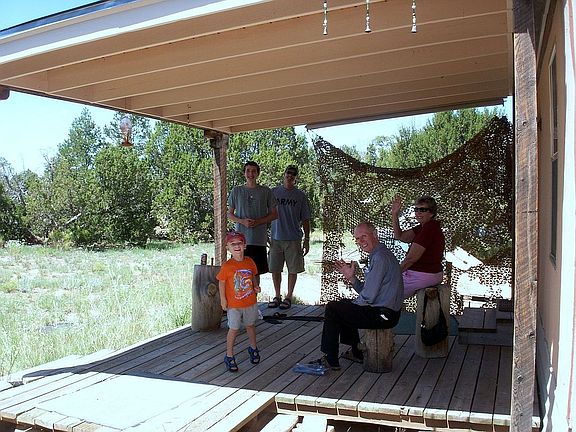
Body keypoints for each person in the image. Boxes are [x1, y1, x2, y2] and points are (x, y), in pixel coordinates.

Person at [314, 222, 404, 370]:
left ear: (374, 234)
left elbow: (368, 296)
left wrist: (352, 305)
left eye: (364, 236)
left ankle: (331, 359)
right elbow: (368, 291)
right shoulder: (380, 254)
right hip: (386, 313)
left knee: (333, 308)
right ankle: (356, 352)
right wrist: (351, 278)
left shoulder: (380, 258)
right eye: (357, 238)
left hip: (384, 316)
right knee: (344, 305)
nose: (361, 241)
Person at [268, 164, 311, 310]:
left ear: (295, 178)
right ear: (284, 174)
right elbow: (265, 214)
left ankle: (288, 297)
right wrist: (265, 234)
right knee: (275, 268)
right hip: (275, 238)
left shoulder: (300, 196)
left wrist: (307, 239)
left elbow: (306, 218)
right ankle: (277, 296)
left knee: (293, 269)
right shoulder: (273, 192)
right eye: (288, 172)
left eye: (293, 174)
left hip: (293, 238)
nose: (290, 175)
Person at [217, 231, 261, 372]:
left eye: (239, 243)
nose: (237, 246)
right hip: (234, 305)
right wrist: (223, 299)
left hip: (250, 302)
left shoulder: (249, 261)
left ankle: (253, 348)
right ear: (227, 248)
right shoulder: (227, 266)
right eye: (232, 244)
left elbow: (253, 275)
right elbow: (221, 282)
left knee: (250, 325)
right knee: (234, 328)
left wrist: (255, 286)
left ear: (245, 245)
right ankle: (229, 355)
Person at [227, 161, 277, 286]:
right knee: (239, 270)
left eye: (254, 171)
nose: (251, 174)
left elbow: (274, 214)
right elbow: (229, 214)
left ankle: (254, 297)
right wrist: (242, 221)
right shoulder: (236, 191)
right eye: (248, 171)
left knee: (255, 272)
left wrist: (258, 221)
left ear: (258, 173)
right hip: (240, 240)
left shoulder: (266, 191)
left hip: (258, 240)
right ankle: (240, 296)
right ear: (244, 173)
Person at [391, 195, 446, 298]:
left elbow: (410, 259)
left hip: (424, 274)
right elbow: (400, 236)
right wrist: (394, 214)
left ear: (431, 213)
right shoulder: (423, 227)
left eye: (423, 210)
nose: (418, 213)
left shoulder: (429, 229)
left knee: (385, 293)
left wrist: (392, 275)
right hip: (424, 274)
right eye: (416, 209)